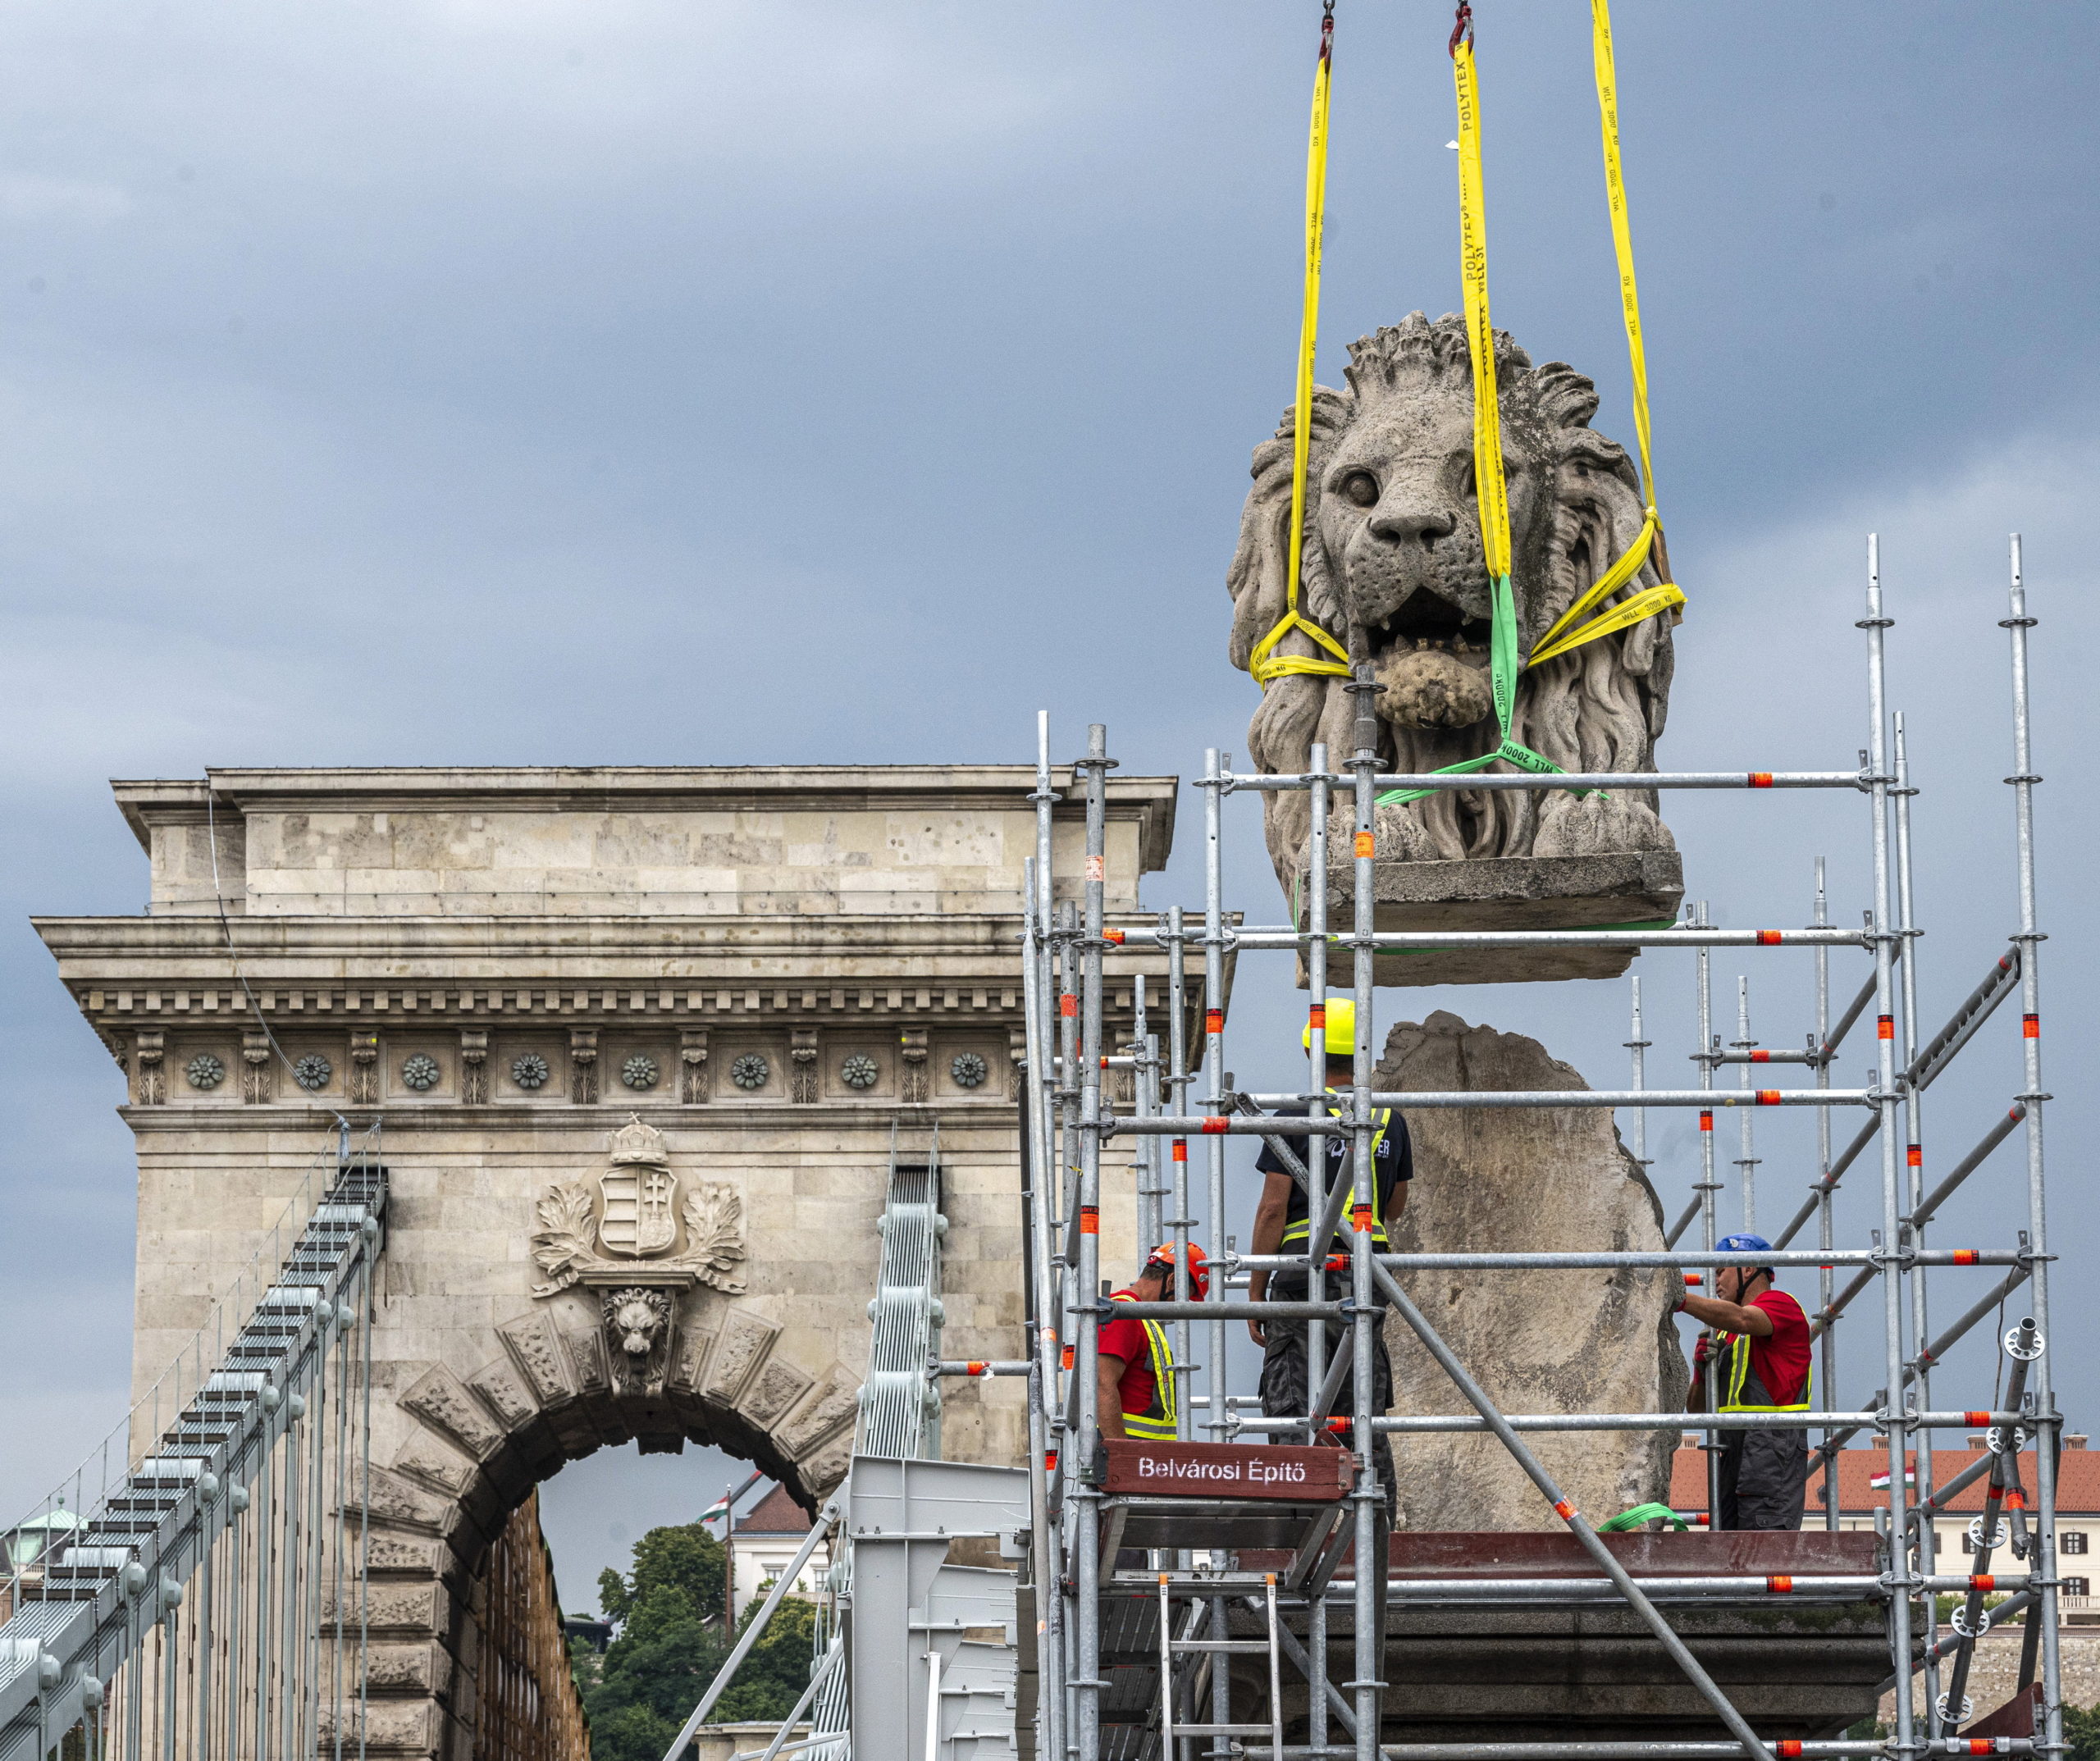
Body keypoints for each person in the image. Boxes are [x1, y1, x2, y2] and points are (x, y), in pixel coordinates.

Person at [1248, 999, 1411, 1515]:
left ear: (1310, 1053)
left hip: (1304, 1276)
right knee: (1361, 1407)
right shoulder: (1387, 1120)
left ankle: (1297, 1524)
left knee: (1298, 1406)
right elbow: (1395, 1206)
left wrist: (1256, 1291)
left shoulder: (1296, 1117)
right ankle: (1377, 1522)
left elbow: (1273, 1209)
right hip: (1366, 1277)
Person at [1682, 1232, 1813, 1531]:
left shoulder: (1781, 1305)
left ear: (1749, 1268)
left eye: (1721, 1271)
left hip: (1771, 1446)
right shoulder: (1724, 1333)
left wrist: (1681, 1299)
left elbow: (1743, 1319)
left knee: (1763, 1541)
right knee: (1726, 1543)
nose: (1715, 1281)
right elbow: (1697, 1410)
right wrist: (1701, 1372)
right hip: (1731, 1446)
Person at [1096, 1242, 1209, 1440]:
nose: (1181, 1306)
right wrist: (1122, 1453)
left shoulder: (1140, 1317)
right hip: (1124, 1451)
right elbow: (1101, 1386)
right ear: (1172, 1281)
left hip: (1143, 1453)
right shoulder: (1123, 1315)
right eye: (1185, 1296)